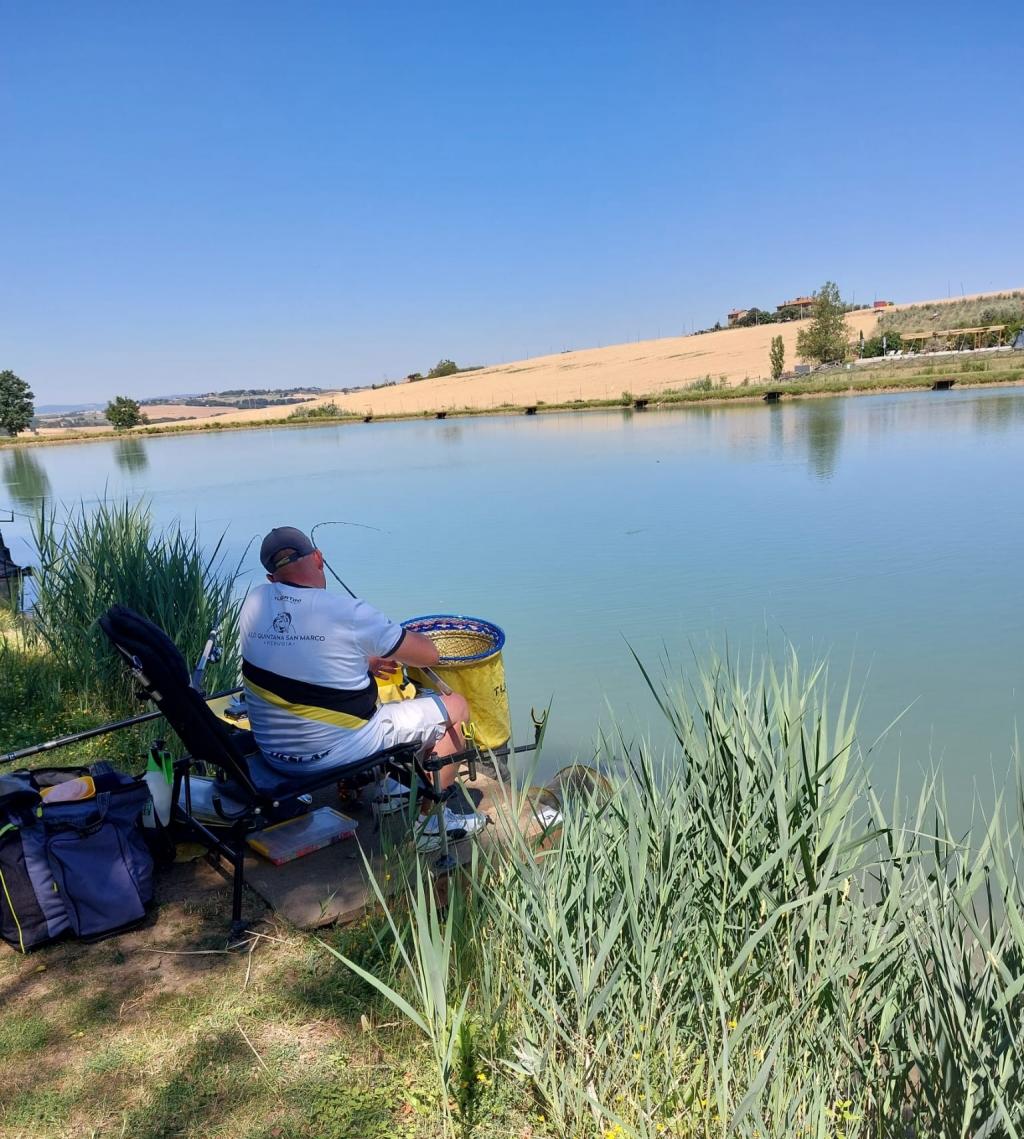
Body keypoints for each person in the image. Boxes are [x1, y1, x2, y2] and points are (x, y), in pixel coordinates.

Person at [238, 526, 487, 851]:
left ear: (271, 579)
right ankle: (430, 826)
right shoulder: (348, 613)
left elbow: (295, 653)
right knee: (455, 707)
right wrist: (388, 638)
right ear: (318, 558)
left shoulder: (254, 601)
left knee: (376, 701)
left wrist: (365, 661)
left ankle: (392, 793)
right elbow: (429, 654)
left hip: (274, 754)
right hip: (333, 753)